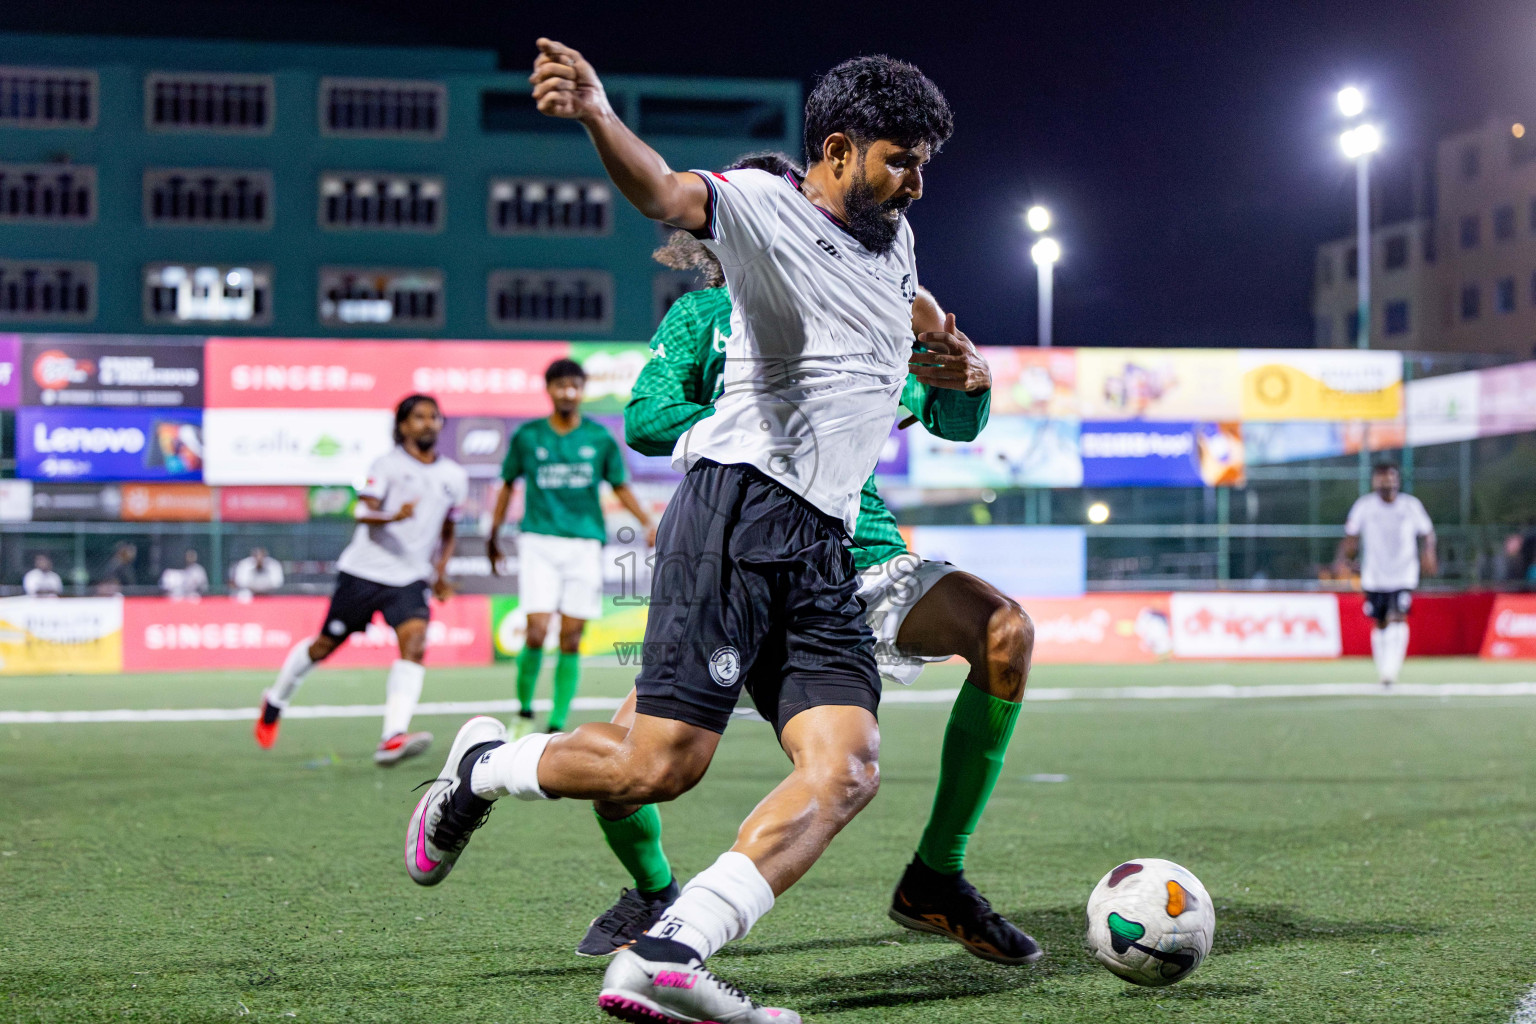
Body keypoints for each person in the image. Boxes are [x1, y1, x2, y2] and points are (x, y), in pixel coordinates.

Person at [405, 42, 979, 1024]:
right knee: (657, 765)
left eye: (926, 160)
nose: (917, 178)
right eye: (900, 158)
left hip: (823, 546)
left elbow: (911, 304)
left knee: (847, 767)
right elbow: (668, 193)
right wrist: (595, 111)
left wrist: (949, 347)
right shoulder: (769, 210)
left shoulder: (899, 237)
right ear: (836, 150)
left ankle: (667, 955)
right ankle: (482, 767)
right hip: (737, 511)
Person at [574, 158, 1037, 971]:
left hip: (857, 558)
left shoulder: (869, 302)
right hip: (741, 556)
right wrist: (762, 418)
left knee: (1003, 632)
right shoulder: (702, 317)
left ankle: (938, 875)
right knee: (632, 767)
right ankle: (653, 891)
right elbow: (645, 416)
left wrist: (972, 378)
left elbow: (954, 416)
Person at [256, 395, 467, 766]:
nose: (428, 423)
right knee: (324, 646)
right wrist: (392, 516)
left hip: (410, 578)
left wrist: (440, 571)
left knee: (414, 644)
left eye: (434, 417)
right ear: (403, 426)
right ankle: (275, 700)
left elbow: (448, 528)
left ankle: (392, 737)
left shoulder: (454, 477)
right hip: (364, 573)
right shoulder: (385, 465)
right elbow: (362, 510)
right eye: (419, 417)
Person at [487, 357, 657, 738]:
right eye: (560, 385)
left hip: (583, 544)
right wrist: (493, 533)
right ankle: (524, 713)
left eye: (574, 385)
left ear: (582, 390)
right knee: (536, 630)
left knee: (571, 636)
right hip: (539, 541)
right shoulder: (528, 436)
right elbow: (506, 484)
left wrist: (648, 522)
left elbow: (619, 486)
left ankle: (556, 723)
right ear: (548, 389)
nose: (568, 392)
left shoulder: (598, 438)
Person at [1334, 461, 1437, 687]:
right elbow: (1351, 537)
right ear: (1374, 481)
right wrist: (1343, 561)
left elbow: (1427, 532)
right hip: (1375, 575)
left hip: (1403, 573)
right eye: (1381, 477)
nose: (1386, 481)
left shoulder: (1410, 506)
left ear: (1397, 480)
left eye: (1390, 477)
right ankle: (1383, 669)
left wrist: (1429, 553)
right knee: (1380, 622)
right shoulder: (1365, 506)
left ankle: (1392, 670)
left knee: (1398, 616)